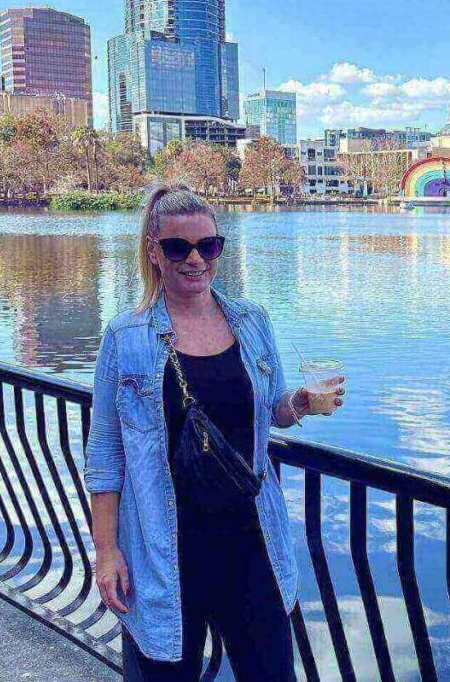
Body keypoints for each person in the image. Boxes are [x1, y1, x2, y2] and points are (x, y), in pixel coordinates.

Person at [84, 181, 345, 681]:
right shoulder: (126, 337)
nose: (195, 259)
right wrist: (107, 552)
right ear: (154, 252)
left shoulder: (250, 320)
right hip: (165, 549)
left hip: (252, 541)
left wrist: (303, 404)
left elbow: (272, 410)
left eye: (209, 245)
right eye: (178, 247)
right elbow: (105, 453)